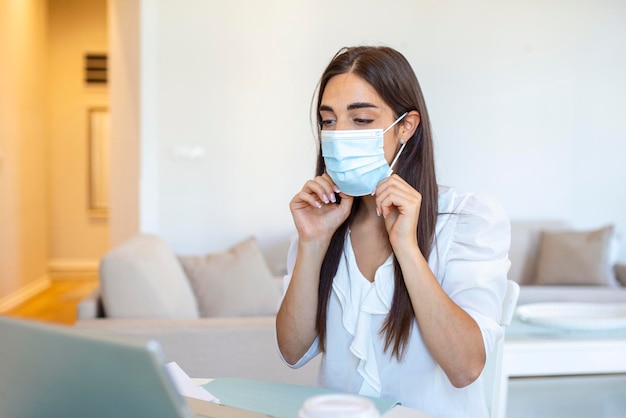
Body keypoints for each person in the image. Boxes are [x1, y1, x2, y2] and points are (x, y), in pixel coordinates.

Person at [275, 46, 510, 418]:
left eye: (362, 120)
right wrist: (312, 243)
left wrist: (407, 248)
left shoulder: (468, 219)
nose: (339, 135)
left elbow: (465, 367)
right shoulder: (322, 222)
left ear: (406, 126)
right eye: (329, 121)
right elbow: (292, 351)